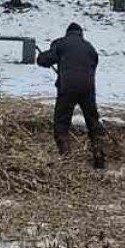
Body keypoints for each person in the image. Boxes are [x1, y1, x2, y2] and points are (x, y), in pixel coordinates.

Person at [37, 22, 106, 169]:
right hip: (87, 88)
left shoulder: (62, 44)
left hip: (67, 88)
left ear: (67, 33)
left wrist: (44, 57)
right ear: (81, 33)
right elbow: (93, 64)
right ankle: (98, 152)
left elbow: (44, 60)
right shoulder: (89, 47)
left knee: (61, 122)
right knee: (93, 121)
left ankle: (66, 157)